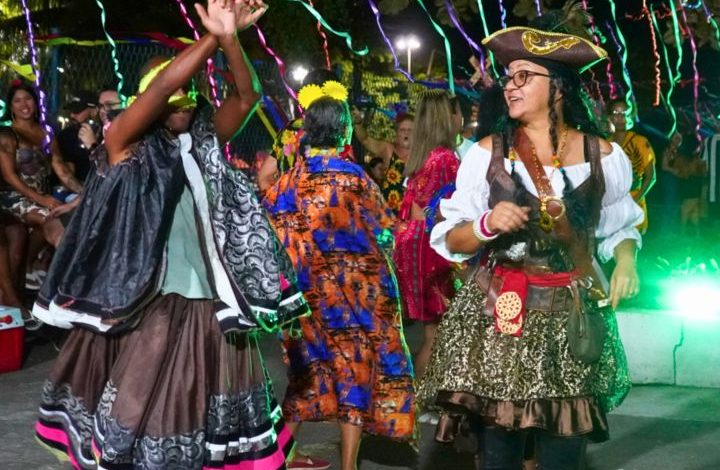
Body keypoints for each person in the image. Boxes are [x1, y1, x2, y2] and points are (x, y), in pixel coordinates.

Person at [32, 2, 306, 468]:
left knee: (200, 410)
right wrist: (212, 37)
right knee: (144, 409)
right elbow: (163, 86)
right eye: (172, 92)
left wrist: (231, 40)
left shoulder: (202, 140)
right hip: (142, 300)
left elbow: (248, 96)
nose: (182, 98)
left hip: (207, 297)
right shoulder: (123, 142)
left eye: (190, 91)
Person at [418, 26, 641, 469]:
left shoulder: (603, 155)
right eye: (508, 77)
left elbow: (621, 225)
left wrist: (626, 261)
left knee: (563, 451)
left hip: (569, 319)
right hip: (502, 316)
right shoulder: (487, 153)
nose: (509, 86)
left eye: (523, 76)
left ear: (558, 88)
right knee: (498, 451)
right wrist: (486, 224)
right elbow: (450, 238)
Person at [264, 80, 416, 470]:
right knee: (355, 376)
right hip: (356, 301)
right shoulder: (354, 179)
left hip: (304, 303)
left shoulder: (285, 184)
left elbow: (268, 235)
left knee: (306, 377)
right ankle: (349, 465)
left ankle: (278, 458)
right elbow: (387, 230)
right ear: (345, 131)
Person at [393, 89, 461, 381]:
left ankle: (421, 394)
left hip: (415, 244)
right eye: (457, 112)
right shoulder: (445, 159)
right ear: (447, 117)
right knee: (438, 332)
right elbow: (444, 211)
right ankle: (420, 395)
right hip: (431, 249)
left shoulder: (425, 156)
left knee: (434, 331)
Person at [257, 68, 339, 195]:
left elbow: (264, 178)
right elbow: (264, 177)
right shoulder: (339, 131)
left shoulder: (292, 128)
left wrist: (280, 201)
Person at [352, 108, 414, 213]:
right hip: (389, 215)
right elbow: (365, 139)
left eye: (410, 130)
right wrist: (358, 123)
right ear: (396, 132)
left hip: (413, 216)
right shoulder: (388, 150)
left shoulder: (424, 155)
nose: (406, 133)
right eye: (402, 130)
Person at [608, 99, 656, 234]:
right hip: (612, 204)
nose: (620, 117)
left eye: (624, 113)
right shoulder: (606, 143)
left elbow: (651, 177)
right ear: (610, 117)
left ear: (630, 116)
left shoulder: (639, 141)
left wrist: (636, 199)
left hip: (634, 200)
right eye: (616, 113)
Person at [662, 131, 706, 236]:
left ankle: (676, 231)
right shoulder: (669, 151)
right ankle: (668, 231)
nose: (679, 139)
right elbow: (664, 166)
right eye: (676, 137)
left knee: (678, 206)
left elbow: (686, 171)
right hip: (672, 181)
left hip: (682, 183)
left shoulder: (681, 153)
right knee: (673, 205)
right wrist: (674, 171)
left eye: (680, 138)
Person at [57, 90, 98, 184]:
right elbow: (68, 174)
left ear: (94, 111)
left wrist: (93, 145)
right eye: (71, 111)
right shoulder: (67, 136)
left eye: (77, 111)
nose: (72, 115)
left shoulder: (107, 133)